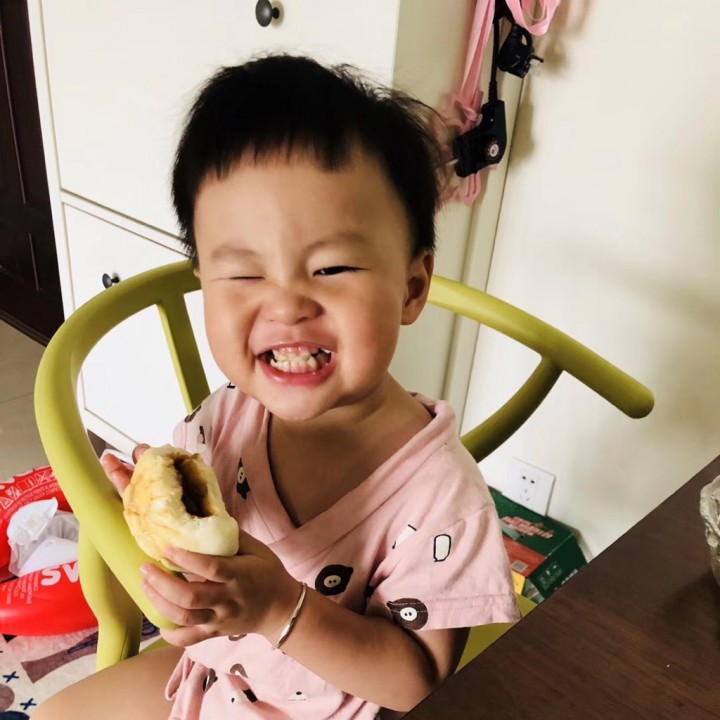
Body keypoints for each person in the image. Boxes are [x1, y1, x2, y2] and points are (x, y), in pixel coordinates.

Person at [34, 55, 519, 720]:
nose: (287, 305)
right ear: (204, 282)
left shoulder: (443, 501)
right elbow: (197, 577)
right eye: (244, 274)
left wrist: (279, 609)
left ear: (410, 288)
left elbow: (417, 681)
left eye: (332, 267)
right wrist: (159, 541)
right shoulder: (224, 421)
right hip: (214, 679)